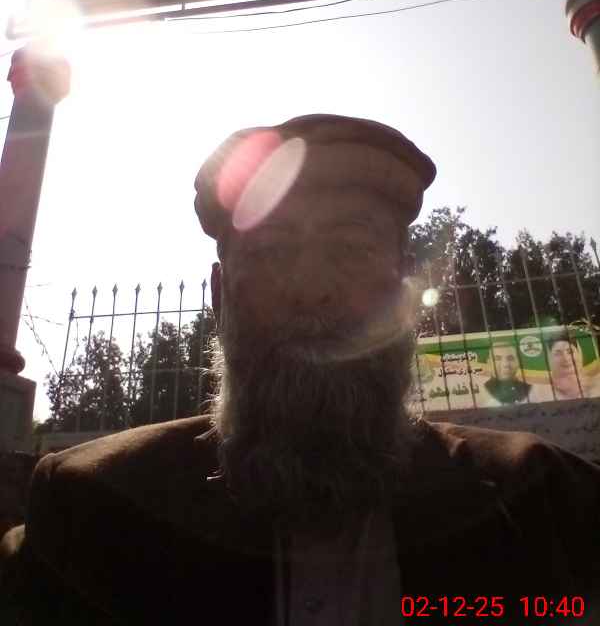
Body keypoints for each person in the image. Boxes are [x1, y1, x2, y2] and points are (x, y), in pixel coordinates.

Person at [1, 113, 600, 625]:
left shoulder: (548, 507)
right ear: (220, 295)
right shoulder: (93, 516)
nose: (312, 287)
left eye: (352, 248)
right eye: (271, 250)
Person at [547, 332, 586, 400]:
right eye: (558, 354)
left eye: (570, 352)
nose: (566, 358)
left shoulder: (595, 384)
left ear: (578, 353)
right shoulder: (540, 391)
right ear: (551, 358)